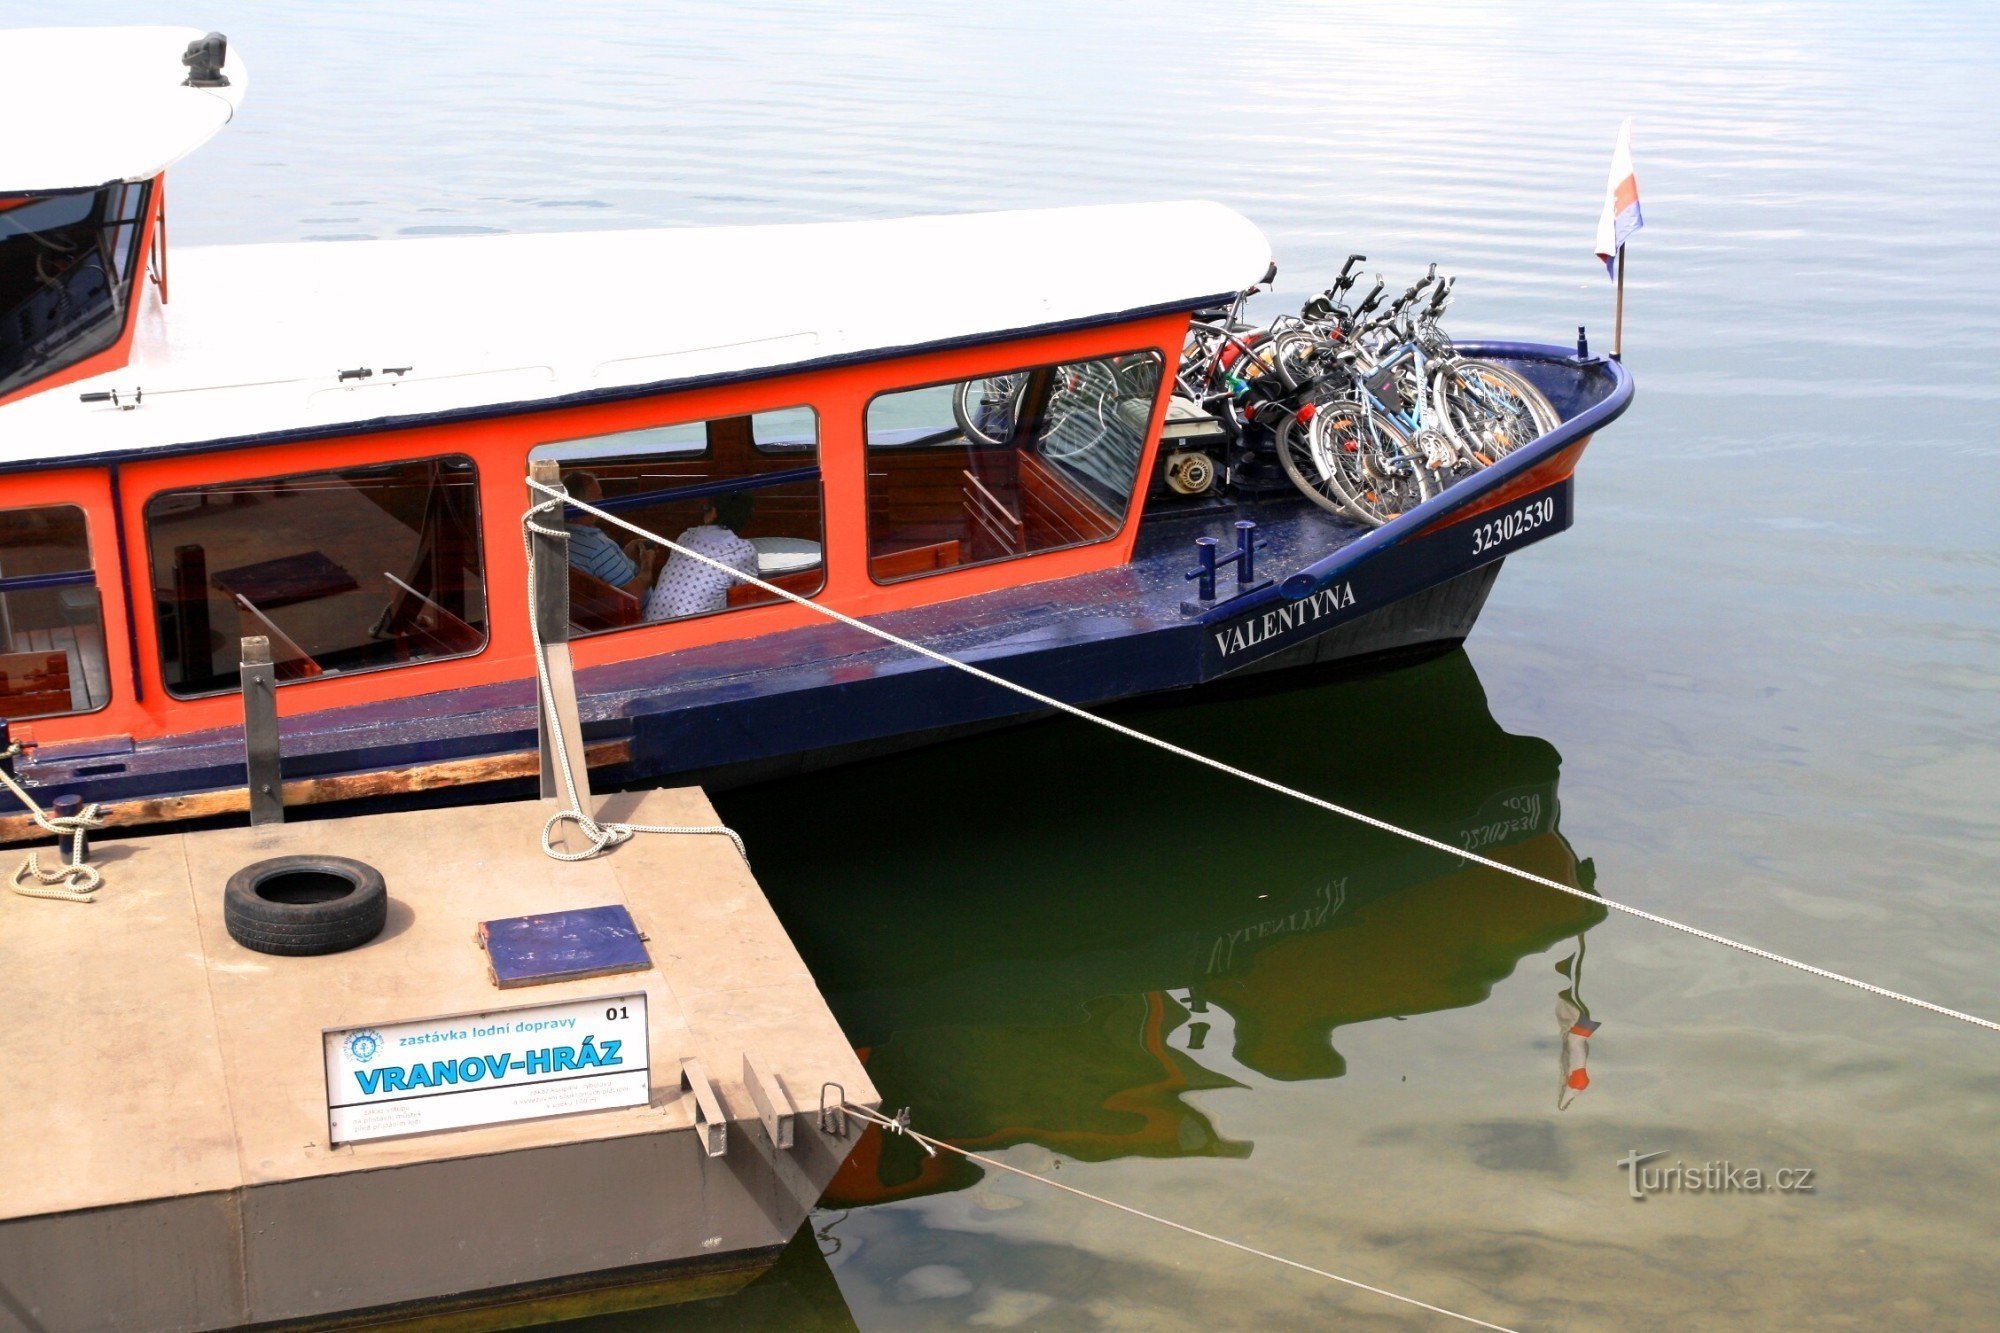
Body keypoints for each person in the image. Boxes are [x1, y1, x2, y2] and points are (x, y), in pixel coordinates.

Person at [647, 490, 759, 620]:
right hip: (693, 631)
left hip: (651, 624)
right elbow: (748, 596)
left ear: (713, 513)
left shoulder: (686, 537)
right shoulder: (743, 550)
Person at [560, 470, 659, 597]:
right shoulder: (597, 548)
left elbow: (604, 565)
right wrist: (647, 563)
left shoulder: (562, 534)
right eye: (599, 496)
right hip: (646, 613)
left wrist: (624, 553)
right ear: (584, 505)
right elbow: (635, 594)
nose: (603, 500)